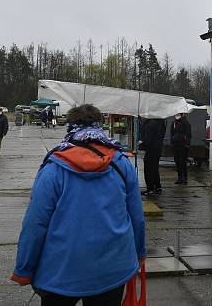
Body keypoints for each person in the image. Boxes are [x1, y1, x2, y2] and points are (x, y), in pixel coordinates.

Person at [11, 104, 146, 305]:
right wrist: (139, 253)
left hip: (60, 272)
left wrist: (24, 268)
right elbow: (136, 215)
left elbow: (35, 223)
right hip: (111, 269)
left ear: (70, 127)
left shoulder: (54, 167)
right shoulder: (120, 162)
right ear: (100, 126)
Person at [138, 117, 166, 196]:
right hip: (157, 149)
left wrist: (140, 143)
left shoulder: (150, 125)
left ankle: (150, 188)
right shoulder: (160, 123)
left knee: (149, 169)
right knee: (154, 168)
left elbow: (147, 139)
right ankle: (157, 187)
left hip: (151, 149)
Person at [171, 112, 192, 185]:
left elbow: (188, 134)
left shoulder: (186, 123)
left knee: (182, 162)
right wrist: (172, 142)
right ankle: (179, 177)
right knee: (177, 161)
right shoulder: (174, 123)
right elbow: (172, 133)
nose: (177, 115)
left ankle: (184, 178)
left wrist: (187, 144)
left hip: (183, 146)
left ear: (182, 115)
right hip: (176, 145)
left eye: (179, 114)